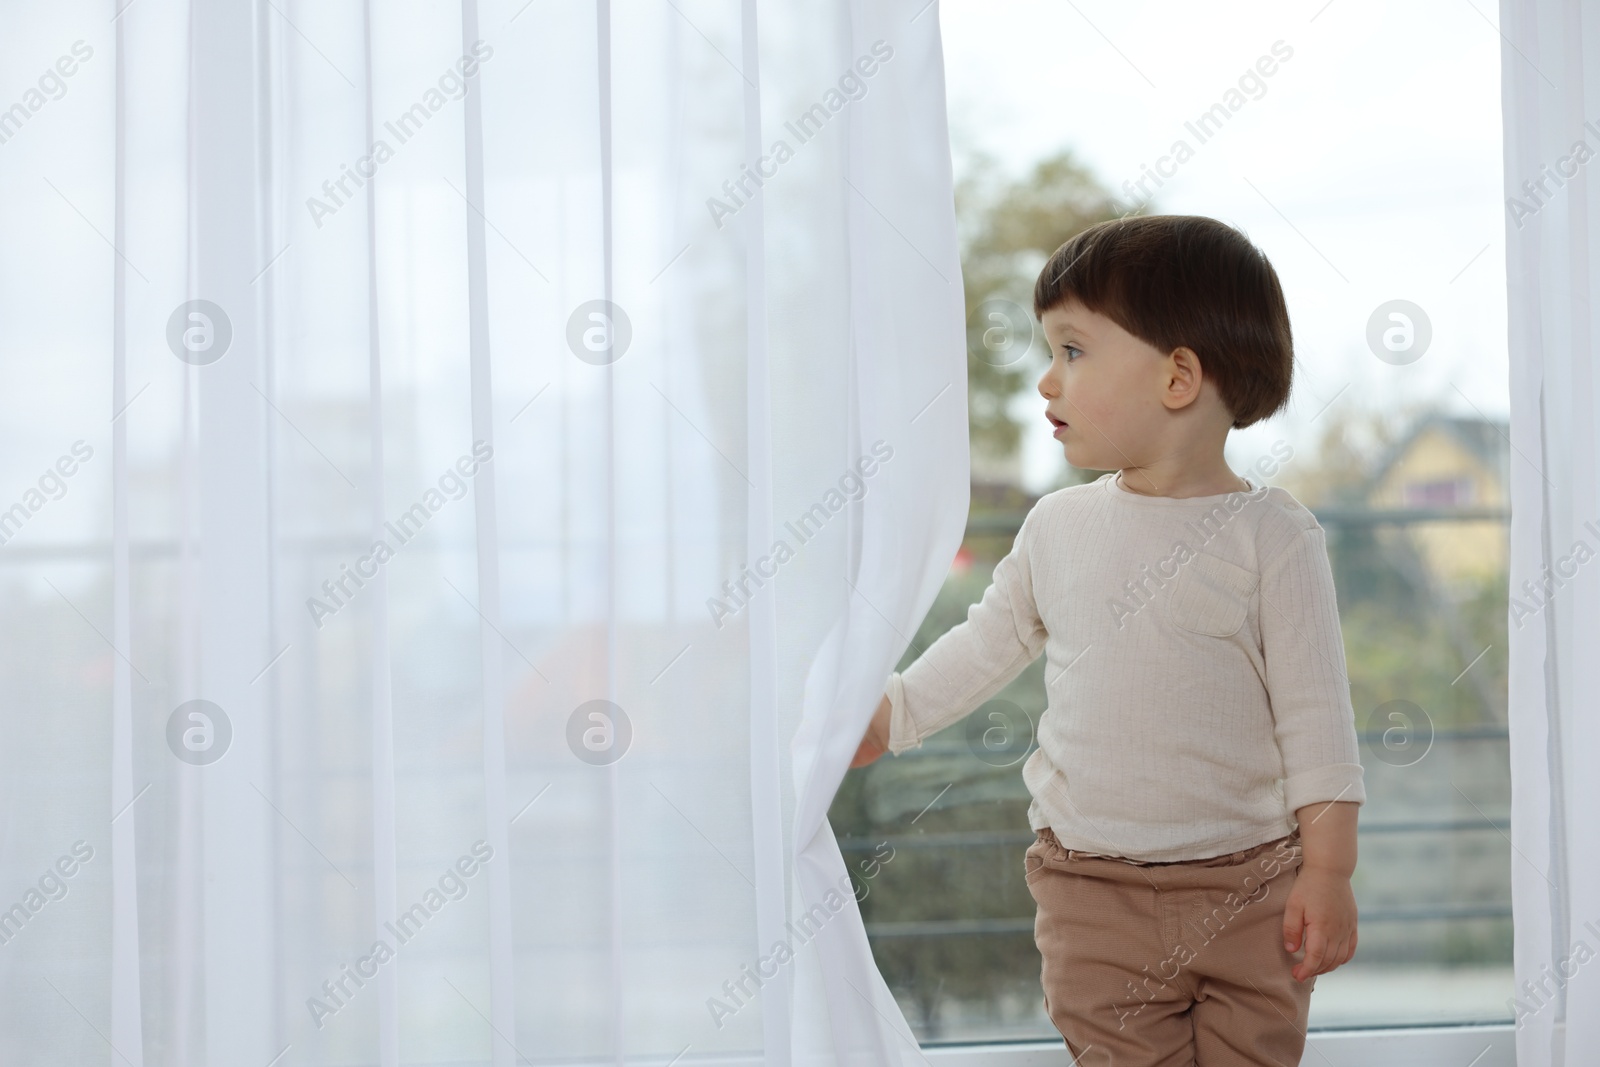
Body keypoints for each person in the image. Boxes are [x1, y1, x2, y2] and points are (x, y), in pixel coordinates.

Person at [853, 214, 1364, 1065]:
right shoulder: (1057, 526)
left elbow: (1319, 720)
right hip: (1093, 897)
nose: (1047, 382)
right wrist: (890, 714)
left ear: (1177, 377)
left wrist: (1330, 872)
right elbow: (988, 642)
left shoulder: (1274, 535)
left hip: (1251, 894)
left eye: (1073, 350)